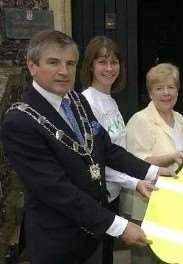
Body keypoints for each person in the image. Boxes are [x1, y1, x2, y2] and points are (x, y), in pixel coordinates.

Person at [1, 30, 173, 264]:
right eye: (53, 62)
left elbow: (106, 148)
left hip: (92, 233)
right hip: (58, 241)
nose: (64, 71)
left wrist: (152, 172)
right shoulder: (20, 121)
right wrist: (119, 225)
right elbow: (56, 190)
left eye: (70, 63)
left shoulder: (76, 100)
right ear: (32, 66)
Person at [79, 36, 155, 264]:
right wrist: (135, 182)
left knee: (107, 256)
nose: (109, 68)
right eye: (102, 62)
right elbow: (97, 160)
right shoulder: (87, 103)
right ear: (90, 65)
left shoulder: (110, 101)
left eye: (114, 62)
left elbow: (118, 152)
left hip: (112, 194)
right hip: (96, 198)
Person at [126, 63, 183, 263]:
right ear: (150, 92)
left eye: (171, 87)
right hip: (145, 201)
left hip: (172, 201)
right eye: (159, 88)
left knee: (169, 256)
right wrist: (170, 157)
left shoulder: (179, 119)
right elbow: (135, 161)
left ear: (177, 90)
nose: (166, 93)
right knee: (144, 257)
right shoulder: (140, 120)